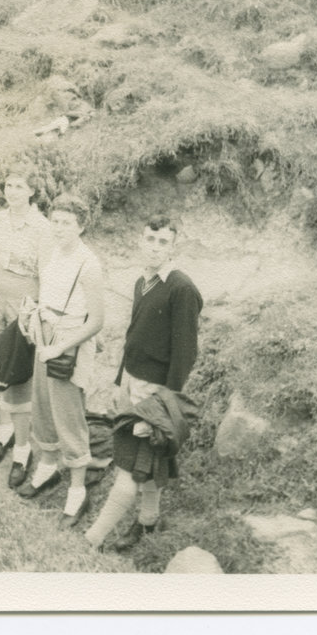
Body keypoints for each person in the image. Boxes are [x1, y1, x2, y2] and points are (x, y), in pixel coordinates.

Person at [84, 215, 203, 551]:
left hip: (154, 395)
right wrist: (120, 381)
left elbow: (185, 355)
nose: (154, 247)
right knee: (148, 462)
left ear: (174, 246)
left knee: (129, 469)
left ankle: (91, 539)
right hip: (132, 386)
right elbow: (133, 339)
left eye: (163, 242)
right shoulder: (142, 282)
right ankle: (148, 521)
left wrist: (164, 406)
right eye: (149, 239)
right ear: (140, 240)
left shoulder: (182, 289)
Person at [15, 195, 105, 530]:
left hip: (69, 342)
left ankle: (78, 490)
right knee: (42, 405)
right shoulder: (53, 254)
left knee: (68, 414)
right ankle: (48, 467)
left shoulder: (89, 264)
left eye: (67, 222)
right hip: (44, 334)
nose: (59, 228)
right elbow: (49, 296)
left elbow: (95, 321)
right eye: (55, 221)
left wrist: (59, 348)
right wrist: (31, 314)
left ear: (81, 225)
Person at [0, 165, 52, 488]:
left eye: (19, 186)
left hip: (24, 297)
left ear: (32, 191)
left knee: (17, 368)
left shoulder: (43, 227)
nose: (12, 191)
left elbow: (44, 274)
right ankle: (3, 433)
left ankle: (22, 451)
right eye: (8, 185)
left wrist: (37, 313)